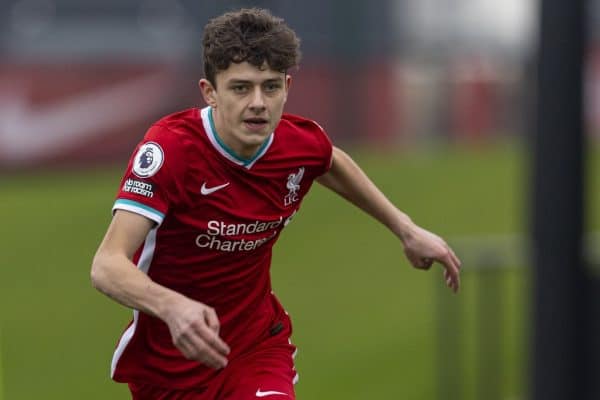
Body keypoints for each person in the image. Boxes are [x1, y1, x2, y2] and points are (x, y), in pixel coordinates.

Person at [91, 7, 461, 400]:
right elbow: (107, 265)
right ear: (209, 91)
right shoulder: (171, 150)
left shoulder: (297, 142)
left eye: (270, 87)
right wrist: (173, 308)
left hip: (256, 347)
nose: (258, 103)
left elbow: (329, 160)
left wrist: (405, 229)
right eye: (240, 87)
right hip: (169, 366)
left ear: (287, 86)